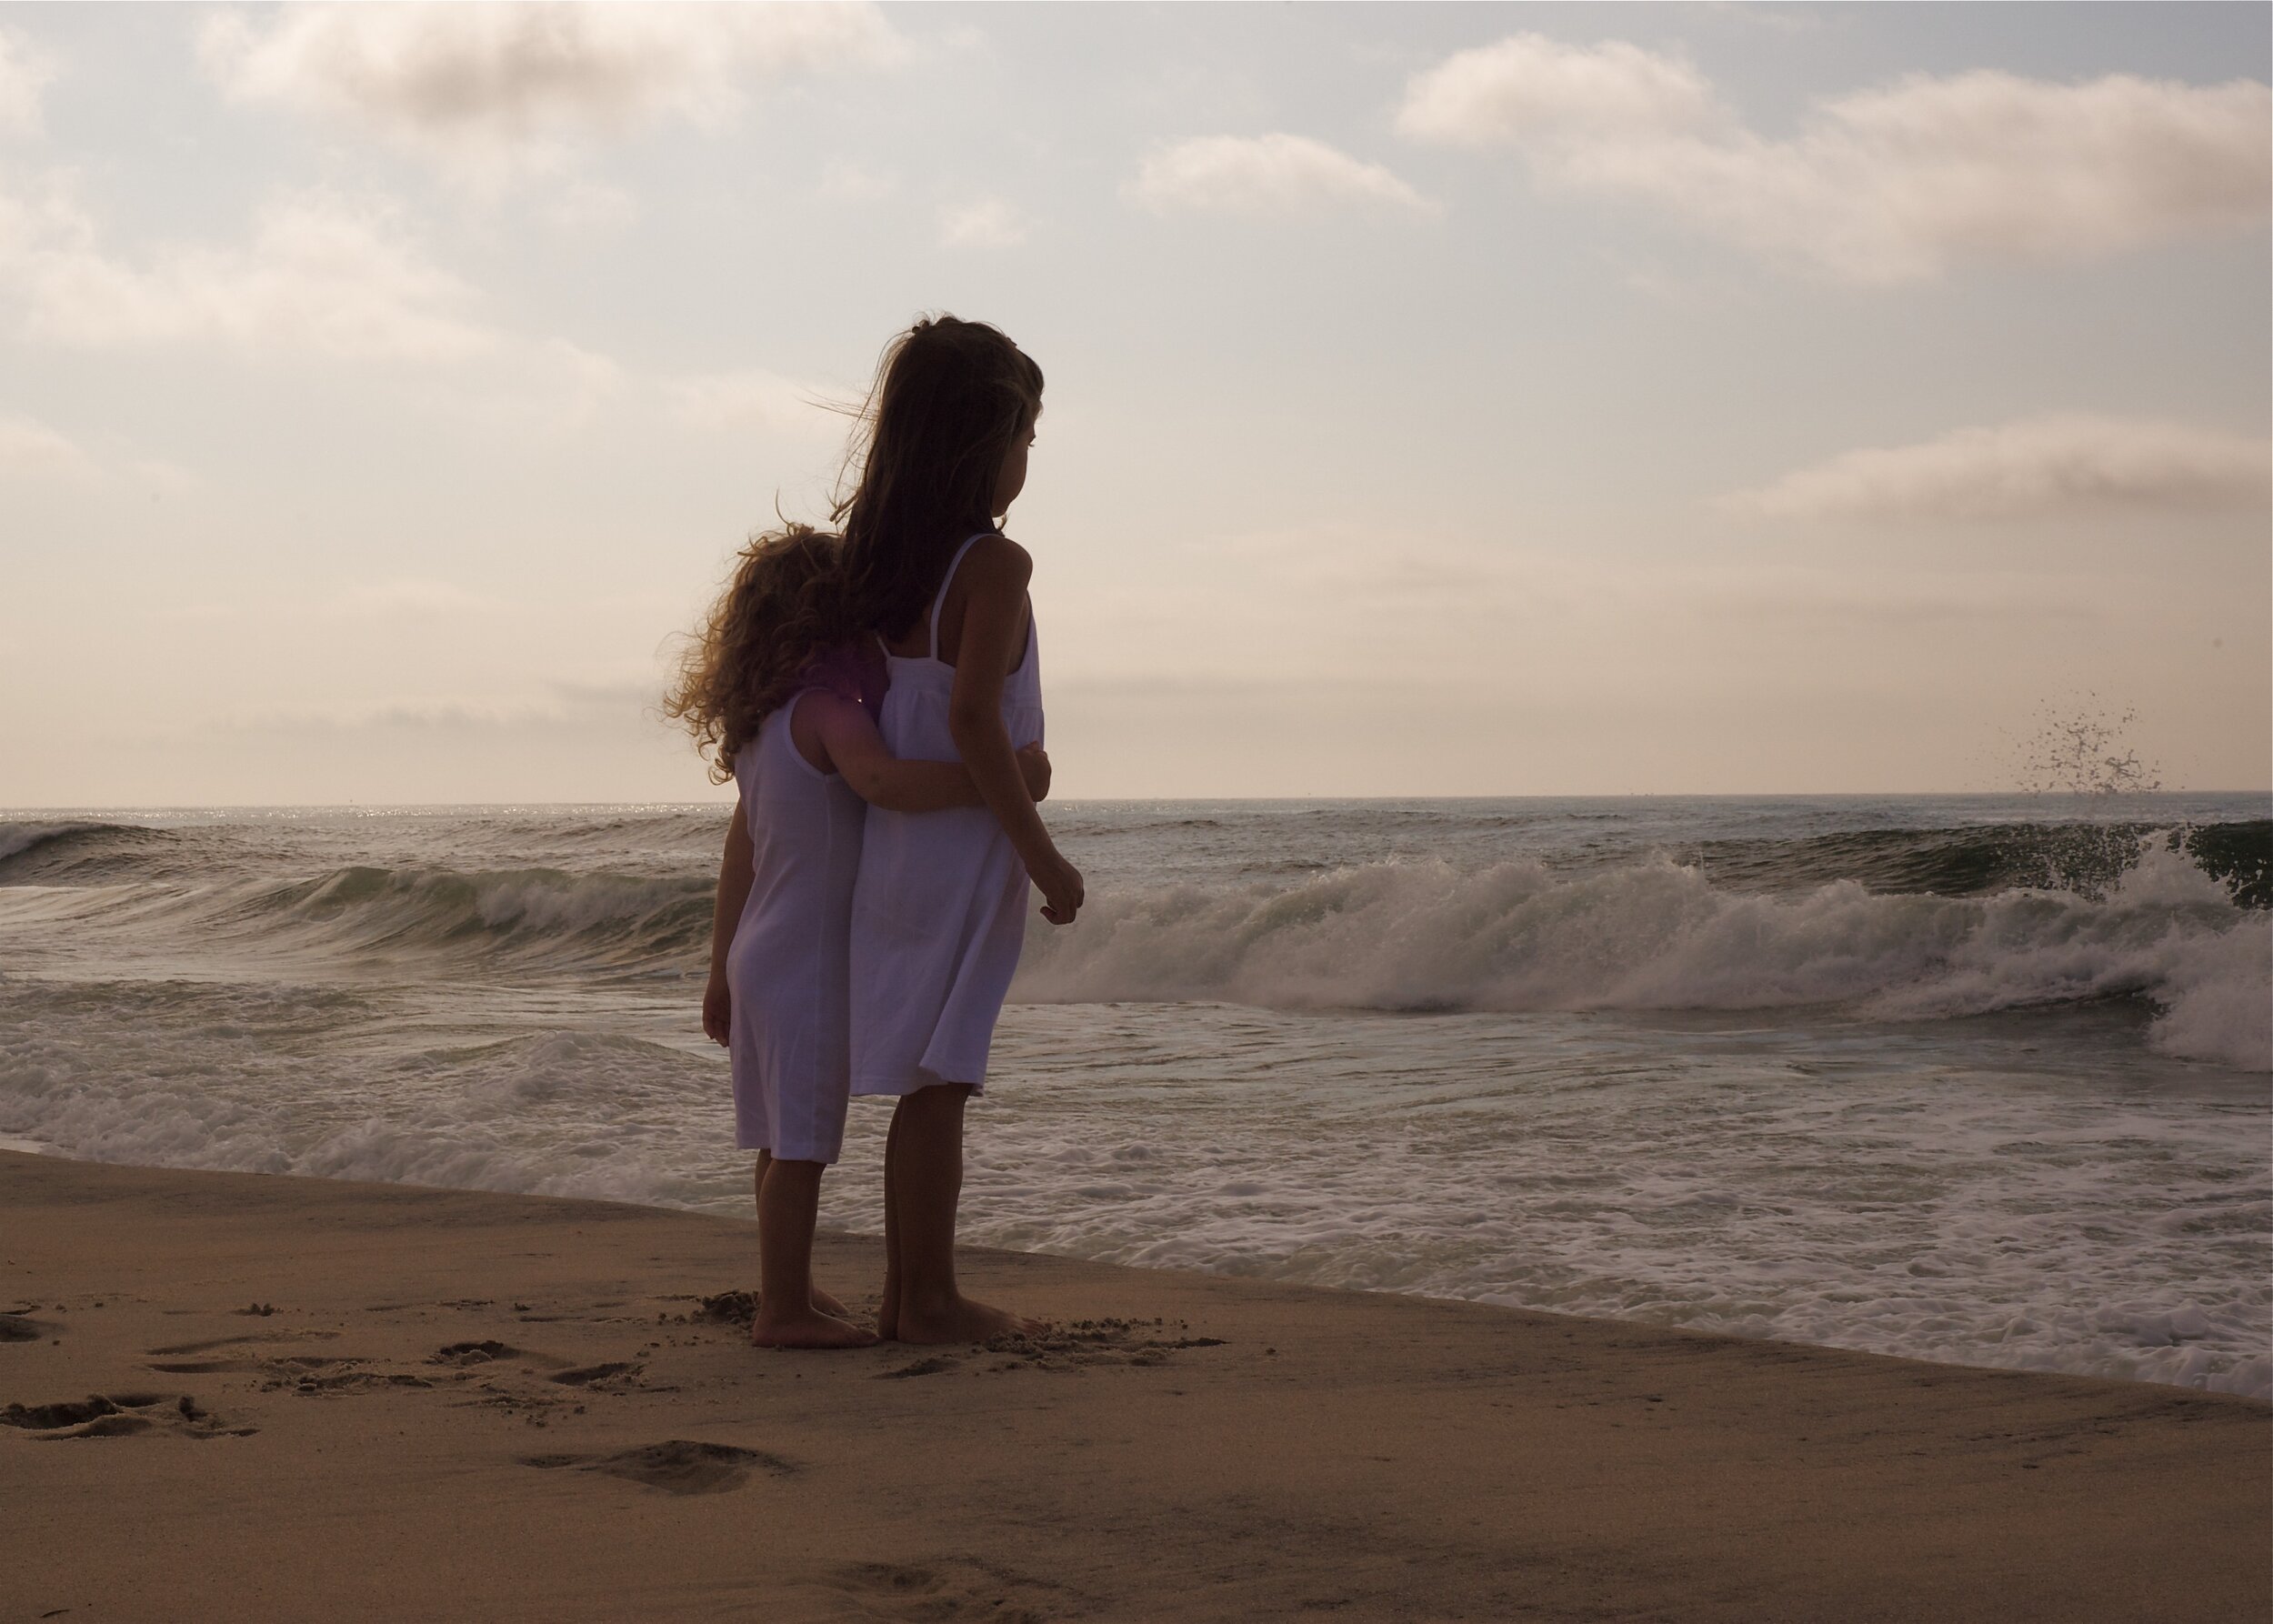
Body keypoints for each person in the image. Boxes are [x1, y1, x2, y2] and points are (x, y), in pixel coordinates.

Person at [666, 524, 1048, 1348]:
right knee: (801, 1145)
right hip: (805, 962)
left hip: (762, 951)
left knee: (779, 1139)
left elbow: (743, 849)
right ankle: (782, 1312)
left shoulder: (762, 731)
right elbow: (886, 783)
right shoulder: (831, 713)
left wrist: (719, 966)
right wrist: (1003, 780)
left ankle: (791, 1284)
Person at [837, 315, 1086, 1344]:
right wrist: (1043, 854)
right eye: (1026, 436)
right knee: (943, 1080)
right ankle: (930, 1296)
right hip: (964, 858)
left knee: (925, 1076)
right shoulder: (994, 566)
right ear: (985, 441)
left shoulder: (882, 570)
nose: (1029, 457)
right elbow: (975, 716)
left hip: (893, 859)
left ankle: (907, 1292)